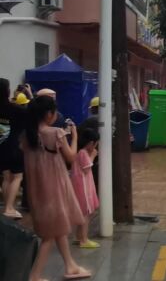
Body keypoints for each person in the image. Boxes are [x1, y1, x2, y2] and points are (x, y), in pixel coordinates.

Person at [21, 95, 91, 280]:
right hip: (54, 187)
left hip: (36, 190)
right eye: (54, 111)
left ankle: (71, 266)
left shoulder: (27, 135)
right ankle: (35, 275)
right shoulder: (55, 133)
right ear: (48, 114)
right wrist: (74, 136)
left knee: (58, 229)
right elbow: (71, 157)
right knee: (50, 235)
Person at [0, 79, 28, 219]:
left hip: (2, 147)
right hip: (15, 146)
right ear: (7, 91)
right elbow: (32, 113)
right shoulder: (15, 109)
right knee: (17, 176)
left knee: (6, 177)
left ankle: (7, 205)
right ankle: (9, 208)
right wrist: (28, 94)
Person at [71, 128, 100, 249]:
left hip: (80, 185)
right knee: (86, 214)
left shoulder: (79, 152)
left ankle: (78, 237)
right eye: (96, 143)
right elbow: (87, 168)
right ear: (91, 143)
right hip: (83, 187)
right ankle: (84, 240)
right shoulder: (83, 153)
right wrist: (93, 156)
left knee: (82, 213)